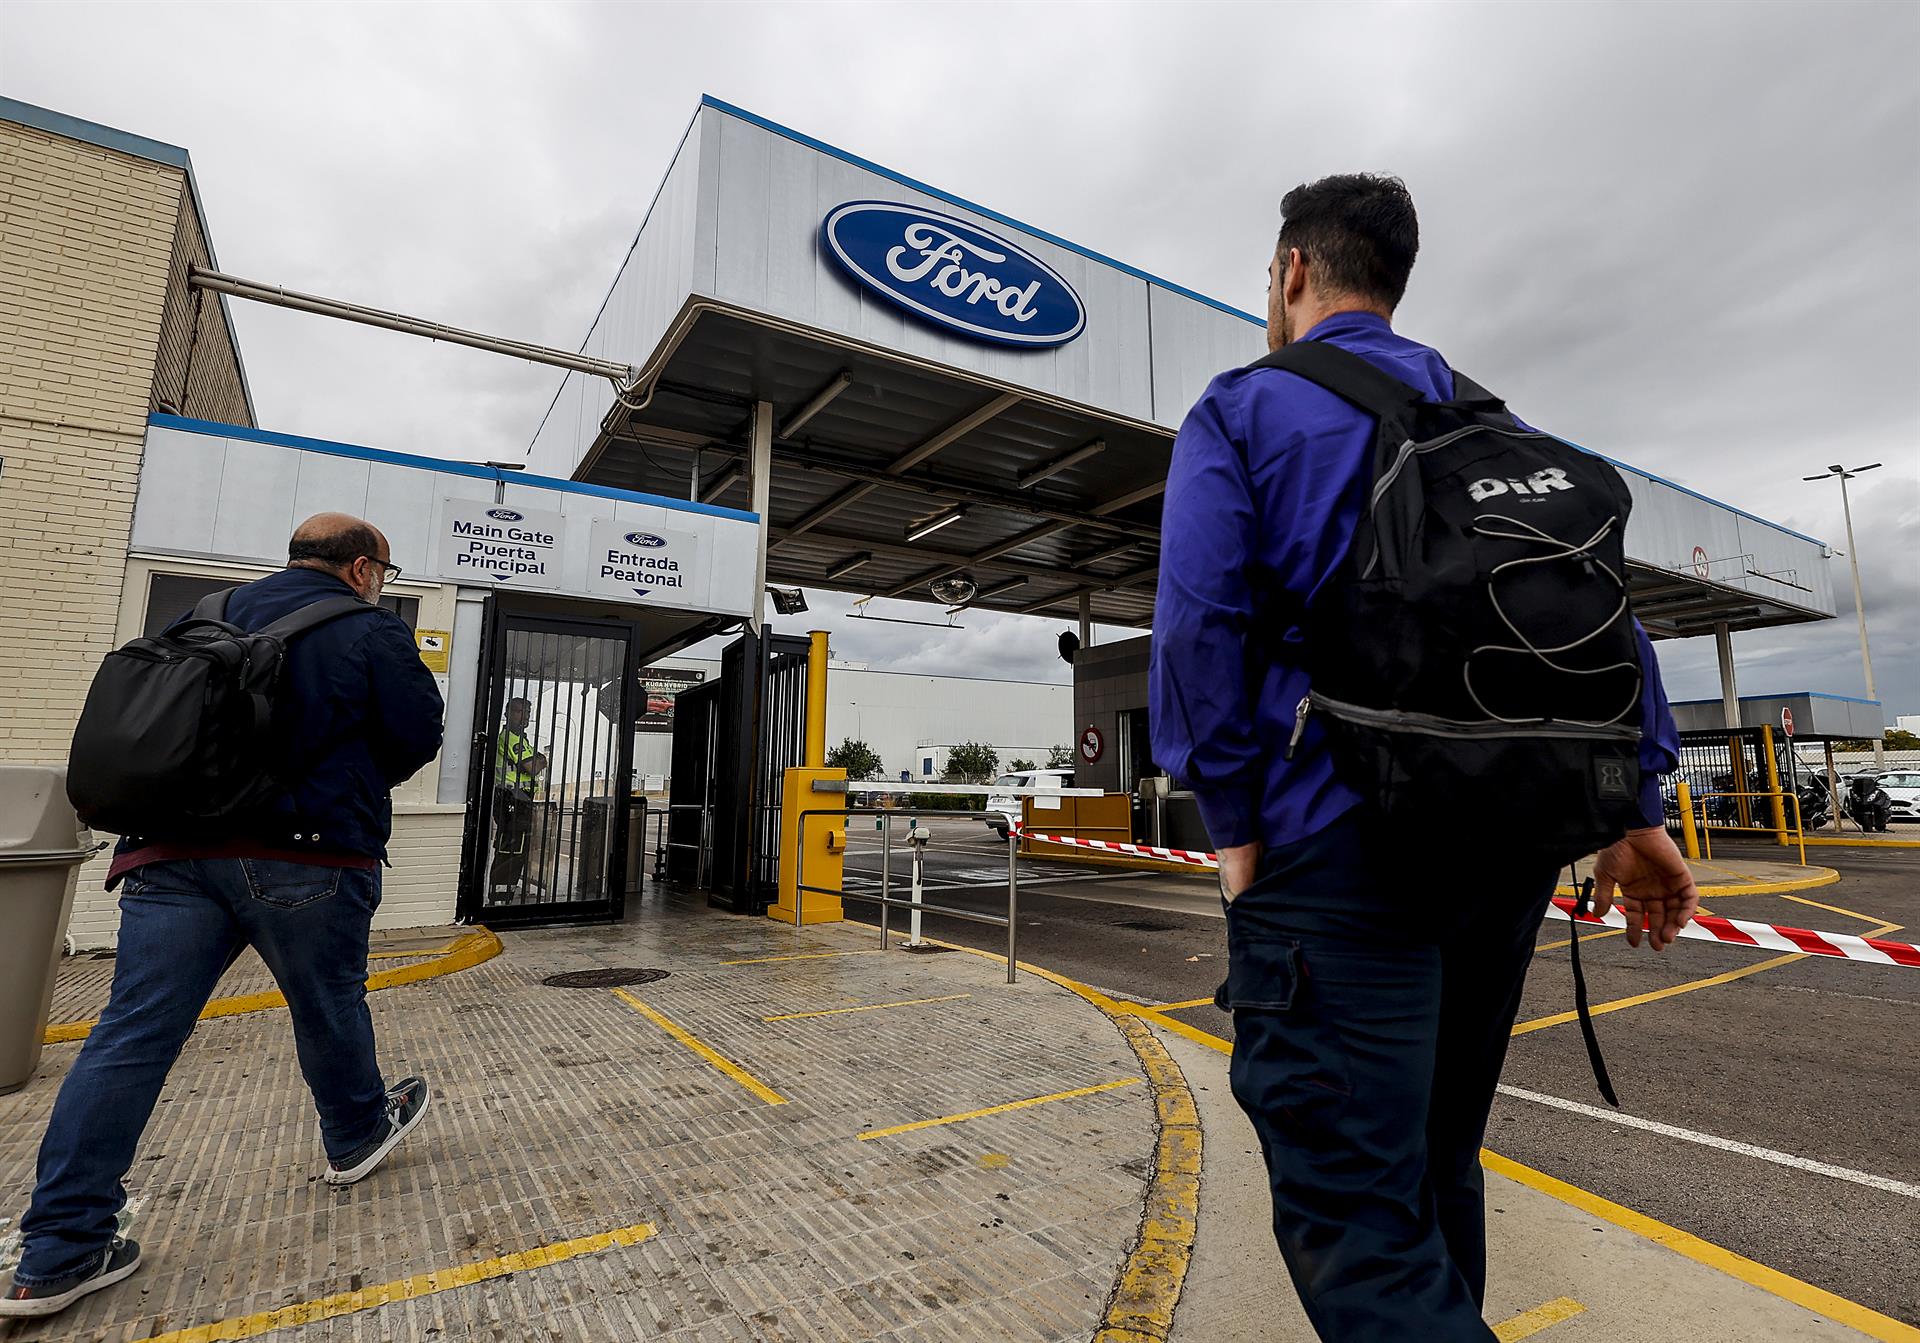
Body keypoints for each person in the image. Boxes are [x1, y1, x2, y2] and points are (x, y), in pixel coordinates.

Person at [1149, 175, 1697, 1341]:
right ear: (1394, 281)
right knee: (1439, 1163)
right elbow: (1605, 625)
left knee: (1357, 1216)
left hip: (1336, 854)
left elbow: (1199, 626)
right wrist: (1634, 808)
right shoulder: (1500, 433)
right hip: (1502, 860)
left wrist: (1234, 835)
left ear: (1294, 271)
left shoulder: (1243, 410)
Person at [3, 513, 445, 1320]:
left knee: (130, 1036)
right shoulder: (368, 630)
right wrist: (343, 780)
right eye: (383, 569)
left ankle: (56, 1250)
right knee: (328, 1004)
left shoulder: (204, 612)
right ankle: (353, 1135)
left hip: (169, 856)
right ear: (360, 568)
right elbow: (419, 733)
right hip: (307, 853)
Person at [488, 698, 539, 892]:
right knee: (511, 845)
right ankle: (500, 888)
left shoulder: (521, 738)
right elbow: (533, 766)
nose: (524, 716)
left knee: (518, 844)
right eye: (519, 712)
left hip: (521, 799)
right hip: (511, 798)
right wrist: (540, 759)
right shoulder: (510, 738)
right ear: (507, 714)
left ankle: (506, 887)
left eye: (527, 712)